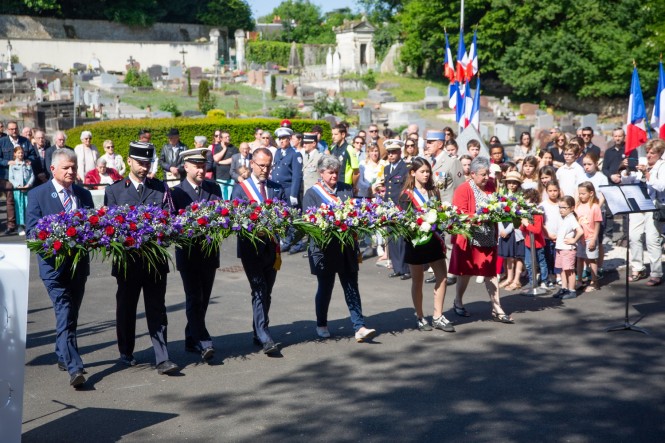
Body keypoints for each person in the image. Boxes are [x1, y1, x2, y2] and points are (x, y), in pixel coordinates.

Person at [104, 141, 179, 375]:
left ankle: (162, 357)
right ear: (129, 161)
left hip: (155, 261)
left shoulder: (159, 188)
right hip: (128, 262)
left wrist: (164, 235)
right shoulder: (115, 190)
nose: (145, 168)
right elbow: (109, 228)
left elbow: (171, 218)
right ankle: (126, 351)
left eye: (148, 163)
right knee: (126, 308)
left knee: (157, 308)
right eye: (140, 163)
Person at [26, 148, 94, 388]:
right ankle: (75, 368)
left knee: (72, 313)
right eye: (66, 167)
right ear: (53, 169)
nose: (71, 171)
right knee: (64, 311)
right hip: (53, 268)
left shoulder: (84, 195)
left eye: (74, 167)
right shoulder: (38, 195)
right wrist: (57, 236)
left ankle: (61, 352)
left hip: (78, 266)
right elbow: (32, 232)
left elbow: (93, 225)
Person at [303, 155, 377, 342]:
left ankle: (359, 326)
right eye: (330, 172)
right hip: (324, 249)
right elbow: (308, 222)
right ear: (321, 173)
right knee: (325, 287)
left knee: (352, 286)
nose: (334, 175)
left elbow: (355, 212)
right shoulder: (312, 194)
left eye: (336, 172)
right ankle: (321, 323)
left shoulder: (345, 189)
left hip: (347, 248)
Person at [231, 148, 284, 355]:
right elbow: (237, 218)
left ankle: (257, 330)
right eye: (261, 165)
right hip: (250, 248)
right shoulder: (241, 189)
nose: (265, 169)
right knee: (259, 288)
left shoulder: (276, 188)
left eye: (268, 165)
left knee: (267, 291)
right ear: (252, 163)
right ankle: (264, 334)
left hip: (272, 248)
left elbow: (285, 212)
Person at [171, 148, 223, 361]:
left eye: (203, 166)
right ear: (186, 167)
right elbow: (173, 224)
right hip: (189, 255)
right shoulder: (176, 192)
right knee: (194, 297)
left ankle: (190, 337)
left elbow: (222, 215)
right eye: (197, 166)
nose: (202, 170)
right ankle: (203, 339)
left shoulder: (213, 188)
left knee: (204, 299)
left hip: (210, 254)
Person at [449, 156, 514, 323]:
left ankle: (497, 308)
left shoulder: (491, 185)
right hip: (470, 239)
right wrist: (480, 216)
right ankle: (458, 301)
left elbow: (497, 204)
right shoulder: (463, 190)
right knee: (465, 273)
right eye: (483, 175)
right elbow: (460, 214)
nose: (487, 178)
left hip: (487, 237)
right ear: (472, 174)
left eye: (487, 174)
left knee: (491, 273)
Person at [399, 157, 455, 332]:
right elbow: (403, 222)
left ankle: (438, 316)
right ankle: (420, 316)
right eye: (422, 171)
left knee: (442, 276)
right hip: (415, 242)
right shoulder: (406, 195)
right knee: (418, 280)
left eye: (428, 171)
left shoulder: (433, 191)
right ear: (413, 173)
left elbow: (438, 212)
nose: (426, 175)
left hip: (433, 240)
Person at [621, 139, 665, 286]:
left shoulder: (662, 166)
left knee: (652, 239)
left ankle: (656, 273)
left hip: (654, 205)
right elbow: (627, 181)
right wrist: (626, 170)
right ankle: (637, 268)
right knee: (634, 236)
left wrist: (647, 173)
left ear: (660, 153)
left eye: (652, 153)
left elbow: (660, 186)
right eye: (648, 152)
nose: (649, 155)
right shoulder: (642, 162)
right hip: (638, 203)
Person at [427, 129, 466, 285]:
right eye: (427, 142)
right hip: (431, 209)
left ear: (440, 144)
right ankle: (438, 271)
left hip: (448, 208)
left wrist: (457, 211)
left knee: (449, 241)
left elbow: (460, 188)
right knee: (435, 242)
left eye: (430, 142)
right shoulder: (428, 161)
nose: (427, 145)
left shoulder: (452, 162)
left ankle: (451, 272)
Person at [272, 126, 304, 252]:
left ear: (290, 139)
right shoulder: (278, 153)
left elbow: (297, 175)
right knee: (282, 216)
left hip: (289, 188)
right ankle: (286, 240)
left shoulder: (295, 154)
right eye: (280, 138)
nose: (281, 141)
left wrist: (294, 193)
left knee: (293, 216)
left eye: (284, 138)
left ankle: (297, 243)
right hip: (278, 189)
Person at [1, 121, 34, 235]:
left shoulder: (25, 141)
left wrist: (30, 160)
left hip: (25, 176)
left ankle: (26, 223)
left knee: (26, 201)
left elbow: (33, 154)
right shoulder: (2, 142)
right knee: (11, 200)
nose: (14, 131)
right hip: (7, 175)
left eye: (15, 129)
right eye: (11, 129)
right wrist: (7, 162)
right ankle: (12, 225)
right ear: (7, 130)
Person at [384, 140, 411, 280]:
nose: (391, 155)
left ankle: (406, 268)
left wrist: (402, 208)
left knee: (402, 239)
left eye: (394, 152)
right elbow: (387, 190)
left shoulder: (405, 168)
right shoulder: (387, 169)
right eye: (389, 152)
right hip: (389, 208)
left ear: (400, 152)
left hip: (400, 207)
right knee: (391, 238)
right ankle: (397, 268)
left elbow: (406, 189)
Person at [497, 171, 525, 291]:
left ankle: (516, 279)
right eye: (510, 183)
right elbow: (497, 212)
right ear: (506, 183)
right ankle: (509, 277)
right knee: (508, 255)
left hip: (515, 228)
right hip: (503, 226)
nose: (512, 185)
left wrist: (508, 230)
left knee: (517, 255)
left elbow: (518, 216)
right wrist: (501, 228)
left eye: (515, 183)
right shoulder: (501, 196)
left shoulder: (520, 197)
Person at [553, 195, 584, 300]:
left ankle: (572, 290)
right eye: (560, 207)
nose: (561, 210)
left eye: (564, 208)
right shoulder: (563, 218)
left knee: (569, 270)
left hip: (568, 249)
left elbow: (580, 231)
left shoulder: (571, 219)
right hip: (560, 248)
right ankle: (564, 288)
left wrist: (574, 240)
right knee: (562, 269)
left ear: (571, 208)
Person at [575, 182, 602, 292]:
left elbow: (597, 225)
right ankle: (579, 280)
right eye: (579, 193)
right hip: (579, 238)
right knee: (580, 259)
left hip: (590, 237)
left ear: (591, 193)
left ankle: (594, 282)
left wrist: (593, 240)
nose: (581, 196)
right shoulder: (577, 206)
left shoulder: (595, 207)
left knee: (592, 260)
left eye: (583, 193)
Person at [520, 188, 548, 289]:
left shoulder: (537, 213)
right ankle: (532, 281)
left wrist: (527, 224)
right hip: (528, 242)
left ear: (532, 200)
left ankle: (545, 281)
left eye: (526, 199)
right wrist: (523, 224)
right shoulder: (526, 212)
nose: (524, 201)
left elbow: (537, 230)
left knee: (541, 262)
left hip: (538, 243)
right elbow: (522, 228)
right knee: (528, 263)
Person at [9, 146, 34, 235]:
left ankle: (28, 224)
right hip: (18, 190)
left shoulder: (27, 164)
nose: (20, 154)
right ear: (15, 154)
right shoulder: (12, 165)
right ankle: (20, 226)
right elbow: (11, 178)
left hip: (27, 189)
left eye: (22, 153)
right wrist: (18, 185)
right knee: (19, 207)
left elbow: (32, 175)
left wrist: (29, 184)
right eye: (19, 153)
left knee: (28, 206)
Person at [542, 181, 563, 287]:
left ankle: (559, 275)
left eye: (555, 190)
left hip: (560, 236)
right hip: (547, 236)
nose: (553, 193)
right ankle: (550, 276)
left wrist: (560, 235)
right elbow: (542, 222)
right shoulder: (543, 205)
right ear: (546, 192)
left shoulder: (562, 204)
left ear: (559, 191)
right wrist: (548, 234)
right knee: (548, 257)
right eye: (550, 191)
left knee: (558, 257)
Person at [329, 124, 359, 190]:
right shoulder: (333, 149)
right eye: (332, 134)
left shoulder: (349, 149)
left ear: (343, 135)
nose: (333, 137)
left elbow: (356, 172)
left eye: (336, 134)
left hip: (345, 187)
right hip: (334, 186)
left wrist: (353, 187)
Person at [212, 131, 238, 199]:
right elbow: (216, 158)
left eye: (229, 136)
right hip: (220, 177)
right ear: (221, 139)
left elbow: (232, 160)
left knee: (230, 197)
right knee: (222, 196)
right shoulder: (217, 147)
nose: (228, 138)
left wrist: (219, 162)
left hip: (230, 177)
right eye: (226, 137)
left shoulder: (234, 148)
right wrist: (224, 149)